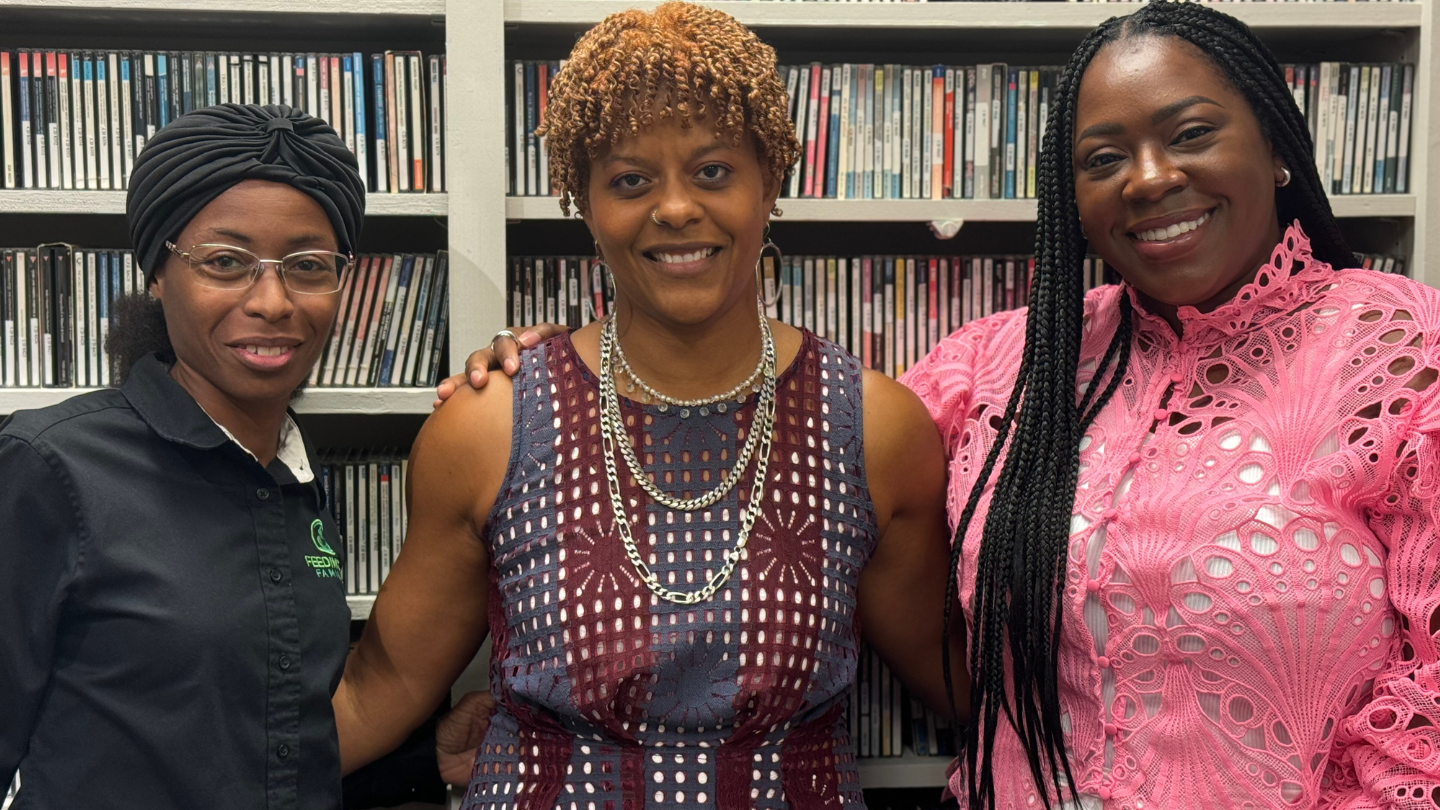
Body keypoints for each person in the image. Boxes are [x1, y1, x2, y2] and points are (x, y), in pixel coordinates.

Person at [453, 3, 1440, 808]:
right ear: (1072, 197)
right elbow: (777, 447)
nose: (1150, 180)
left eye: (1189, 135)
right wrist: (574, 379)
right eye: (1102, 158)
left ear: (1277, 145)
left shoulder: (1406, 356)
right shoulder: (1001, 364)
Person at [334, 3, 965, 808]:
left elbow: (963, 683)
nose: (674, 209)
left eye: (712, 171)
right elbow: (376, 692)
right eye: (630, 180)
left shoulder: (874, 429)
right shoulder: (490, 424)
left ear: (769, 181)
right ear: (584, 202)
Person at [0, 104, 480, 809]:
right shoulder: (51, 467)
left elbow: (253, 744)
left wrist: (422, 759)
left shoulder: (292, 477)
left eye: (308, 266)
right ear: (158, 273)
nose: (274, 301)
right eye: (226, 262)